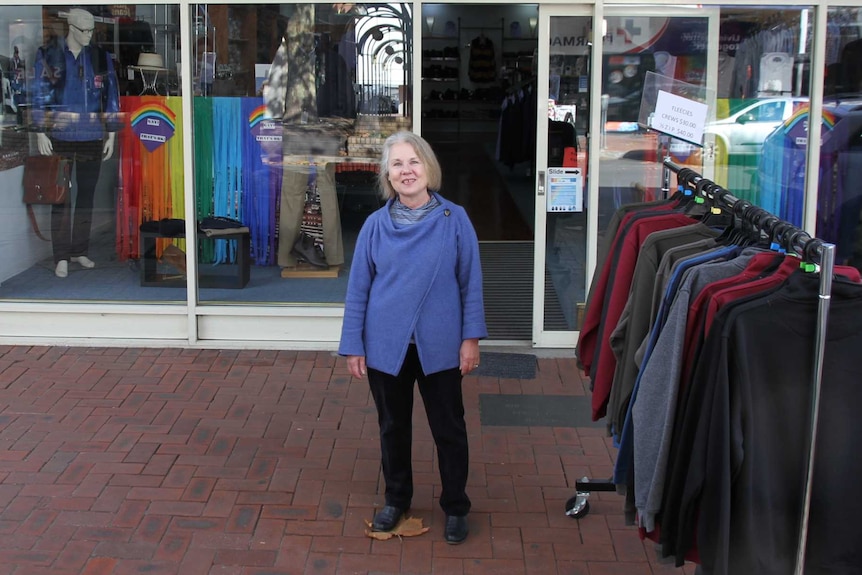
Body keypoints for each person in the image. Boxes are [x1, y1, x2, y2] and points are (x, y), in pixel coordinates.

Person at [338, 131, 487, 544]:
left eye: (414, 162)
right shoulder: (374, 226)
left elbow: (470, 282)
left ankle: (456, 505)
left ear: (428, 168)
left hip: (440, 344)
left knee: (449, 429)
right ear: (387, 173)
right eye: (398, 164)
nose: (407, 171)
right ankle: (397, 500)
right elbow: (359, 290)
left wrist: (470, 338)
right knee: (392, 428)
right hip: (387, 345)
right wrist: (353, 343)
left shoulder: (455, 219)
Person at [31, 8, 120, 278]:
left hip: (92, 136)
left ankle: (80, 250)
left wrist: (112, 133)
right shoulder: (49, 56)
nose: (89, 35)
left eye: (92, 30)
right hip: (60, 137)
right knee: (60, 199)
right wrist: (40, 131)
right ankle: (61, 256)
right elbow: (39, 93)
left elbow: (111, 94)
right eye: (85, 30)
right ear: (71, 27)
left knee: (86, 198)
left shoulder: (100, 58)